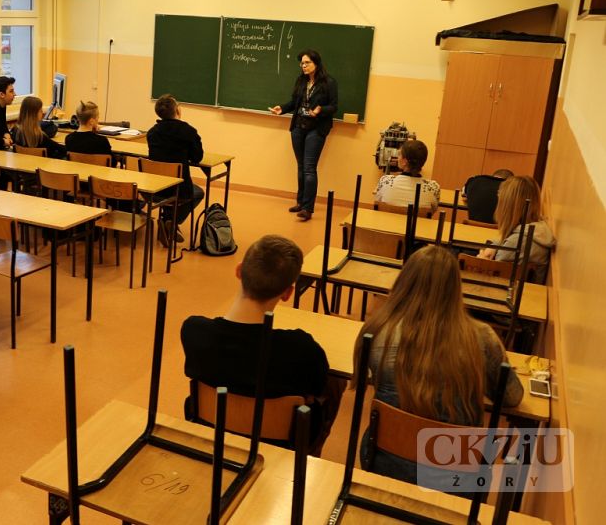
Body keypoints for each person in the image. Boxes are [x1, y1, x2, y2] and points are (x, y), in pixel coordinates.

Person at [354, 245, 524, 487]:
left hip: (384, 459)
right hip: (455, 476)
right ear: (455, 288)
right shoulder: (481, 337)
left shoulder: (377, 329)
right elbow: (511, 397)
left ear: (404, 280)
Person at [181, 235, 342, 454]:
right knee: (335, 383)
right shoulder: (301, 348)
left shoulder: (194, 331)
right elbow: (317, 385)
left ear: (239, 271)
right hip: (278, 450)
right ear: (287, 293)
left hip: (211, 437)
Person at [269, 49, 338, 222]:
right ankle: (300, 202)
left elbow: (334, 107)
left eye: (307, 62)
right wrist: (282, 109)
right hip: (299, 126)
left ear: (316, 63)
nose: (304, 66)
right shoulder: (301, 81)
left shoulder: (328, 82)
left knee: (309, 168)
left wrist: (320, 109)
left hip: (317, 128)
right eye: (302, 63)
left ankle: (308, 208)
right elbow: (295, 102)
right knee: (301, 166)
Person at [147, 94, 204, 246]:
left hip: (155, 187)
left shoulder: (152, 132)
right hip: (179, 188)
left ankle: (167, 221)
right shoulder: (188, 131)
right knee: (198, 193)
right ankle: (171, 221)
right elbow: (197, 158)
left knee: (170, 194)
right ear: (177, 111)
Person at [478, 175, 555, 282]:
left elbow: (493, 278)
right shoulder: (535, 229)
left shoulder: (516, 242)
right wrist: (495, 246)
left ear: (506, 206)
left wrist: (481, 262)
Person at [373, 139, 440, 212]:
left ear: (405, 162)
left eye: (399, 154)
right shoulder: (433, 187)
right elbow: (432, 211)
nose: (397, 158)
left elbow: (378, 204)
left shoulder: (385, 181)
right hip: (417, 220)